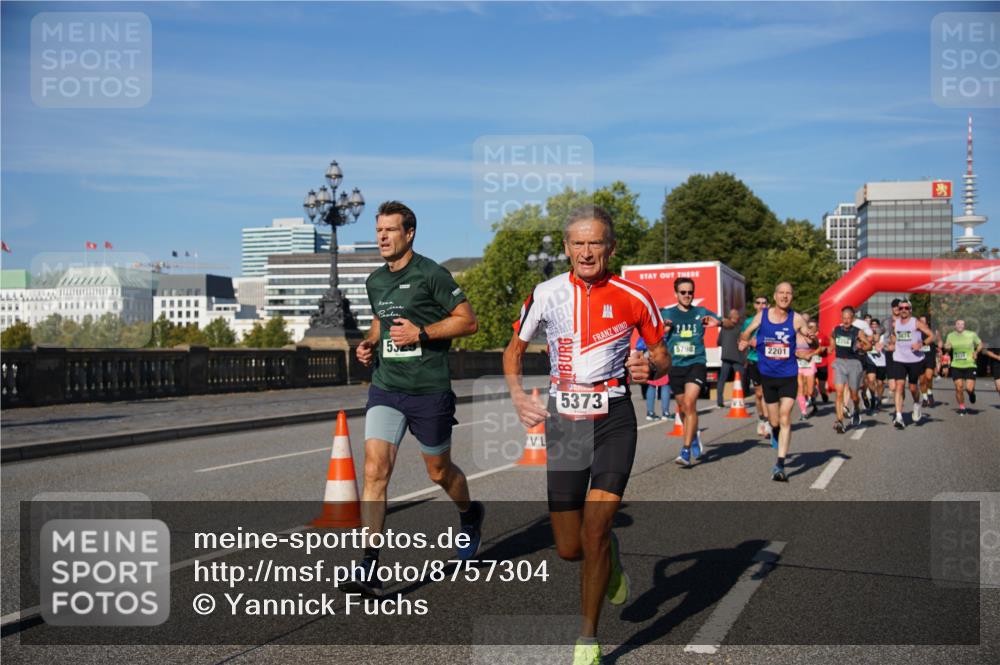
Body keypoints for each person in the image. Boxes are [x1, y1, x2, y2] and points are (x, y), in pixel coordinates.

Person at [503, 205, 670, 665]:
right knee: (569, 546)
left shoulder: (634, 295)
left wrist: (649, 366)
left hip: (614, 416)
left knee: (595, 529)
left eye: (595, 242)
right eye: (578, 243)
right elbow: (513, 351)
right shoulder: (546, 293)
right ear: (566, 249)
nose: (586, 251)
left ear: (610, 248)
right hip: (566, 422)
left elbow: (660, 355)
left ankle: (588, 640)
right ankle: (608, 552)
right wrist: (518, 395)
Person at [347, 201, 483, 597]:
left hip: (428, 391)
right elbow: (380, 321)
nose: (382, 237)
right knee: (374, 472)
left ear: (409, 233)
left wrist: (421, 333)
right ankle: (369, 567)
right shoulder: (375, 281)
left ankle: (470, 514)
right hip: (386, 387)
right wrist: (370, 343)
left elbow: (468, 321)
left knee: (439, 473)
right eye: (378, 231)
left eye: (390, 230)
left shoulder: (431, 274)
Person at [739, 282, 808, 482]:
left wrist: (811, 340)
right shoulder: (763, 315)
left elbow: (811, 341)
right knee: (774, 420)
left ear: (792, 297)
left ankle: (780, 464)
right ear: (775, 296)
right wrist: (744, 339)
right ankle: (775, 430)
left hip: (788, 375)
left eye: (789, 293)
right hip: (767, 375)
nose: (785, 296)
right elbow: (746, 332)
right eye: (781, 293)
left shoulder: (797, 319)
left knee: (785, 416)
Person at [661, 277, 733, 466]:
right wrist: (663, 328)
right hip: (675, 365)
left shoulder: (701, 312)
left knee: (690, 402)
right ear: (676, 293)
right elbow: (651, 330)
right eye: (683, 292)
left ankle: (685, 452)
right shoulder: (668, 313)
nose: (687, 295)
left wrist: (717, 324)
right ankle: (693, 435)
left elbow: (729, 323)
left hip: (696, 363)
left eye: (690, 292)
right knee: (683, 408)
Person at [887, 299, 934, 429]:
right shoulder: (895, 323)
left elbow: (931, 336)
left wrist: (921, 344)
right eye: (901, 308)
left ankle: (916, 404)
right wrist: (892, 343)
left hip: (914, 360)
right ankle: (898, 416)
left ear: (910, 310)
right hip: (899, 359)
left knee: (913, 388)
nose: (903, 310)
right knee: (899, 385)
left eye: (906, 308)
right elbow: (894, 337)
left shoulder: (916, 322)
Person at [829, 305, 871, 433]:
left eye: (849, 318)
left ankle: (857, 409)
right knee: (839, 392)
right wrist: (832, 346)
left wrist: (862, 347)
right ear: (841, 318)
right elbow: (832, 338)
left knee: (854, 394)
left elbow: (869, 346)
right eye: (844, 318)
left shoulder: (858, 331)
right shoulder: (836, 329)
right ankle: (839, 420)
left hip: (854, 363)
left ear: (852, 319)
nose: (846, 321)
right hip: (840, 362)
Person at [744, 295, 771, 436]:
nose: (761, 305)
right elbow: (742, 340)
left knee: (767, 392)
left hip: (768, 360)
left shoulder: (772, 322)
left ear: (768, 305)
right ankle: (761, 418)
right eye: (758, 303)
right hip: (754, 360)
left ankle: (768, 421)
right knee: (759, 393)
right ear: (754, 305)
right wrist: (749, 342)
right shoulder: (749, 322)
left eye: (764, 303)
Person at [943, 319, 983, 415]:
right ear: (955, 326)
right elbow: (947, 349)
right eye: (958, 324)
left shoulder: (971, 334)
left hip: (970, 365)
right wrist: (946, 347)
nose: (960, 325)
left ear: (964, 326)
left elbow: (980, 344)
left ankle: (971, 394)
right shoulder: (951, 335)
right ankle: (962, 407)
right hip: (956, 365)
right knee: (959, 388)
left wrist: (976, 352)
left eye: (962, 324)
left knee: (969, 388)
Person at [636, 336, 671, 419]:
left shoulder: (647, 326)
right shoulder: (664, 329)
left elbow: (639, 346)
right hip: (662, 355)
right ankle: (665, 413)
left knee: (651, 384)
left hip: (649, 356)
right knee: (665, 384)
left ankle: (650, 413)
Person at [716, 308, 744, 409]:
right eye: (737, 315)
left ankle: (719, 402)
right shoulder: (739, 328)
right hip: (736, 357)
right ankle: (739, 399)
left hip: (726, 356)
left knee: (722, 379)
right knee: (741, 378)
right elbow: (742, 341)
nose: (738, 317)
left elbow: (718, 342)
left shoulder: (724, 328)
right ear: (734, 317)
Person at [795, 317, 821, 420]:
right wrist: (799, 354)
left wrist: (811, 354)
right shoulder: (794, 335)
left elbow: (818, 347)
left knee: (809, 391)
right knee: (800, 387)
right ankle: (803, 411)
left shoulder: (810, 336)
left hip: (809, 363)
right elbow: (789, 348)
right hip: (797, 363)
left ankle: (813, 397)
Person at [862, 319, 888, 414]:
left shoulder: (883, 336)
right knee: (871, 380)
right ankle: (873, 397)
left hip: (882, 362)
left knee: (880, 383)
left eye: (875, 325)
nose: (873, 326)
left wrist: (883, 346)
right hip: (870, 361)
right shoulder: (867, 336)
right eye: (872, 325)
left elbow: (889, 344)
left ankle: (879, 399)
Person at [918, 315, 940, 407]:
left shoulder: (933, 331)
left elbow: (939, 341)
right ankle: (924, 397)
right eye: (921, 321)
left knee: (929, 377)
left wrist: (940, 347)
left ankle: (930, 393)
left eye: (924, 321)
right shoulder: (916, 331)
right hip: (919, 357)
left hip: (930, 357)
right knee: (922, 380)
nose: (922, 322)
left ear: (927, 322)